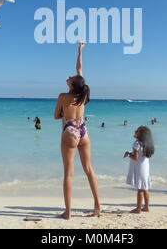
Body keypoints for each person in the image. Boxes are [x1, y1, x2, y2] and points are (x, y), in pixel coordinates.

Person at [54, 42, 100, 220]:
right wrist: (80, 50)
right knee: (89, 169)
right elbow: (79, 68)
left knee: (68, 173)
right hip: (83, 130)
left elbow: (56, 116)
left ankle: (68, 212)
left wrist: (64, 114)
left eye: (70, 77)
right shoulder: (83, 94)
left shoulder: (63, 96)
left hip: (69, 131)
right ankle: (98, 206)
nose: (68, 77)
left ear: (72, 84)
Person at [124, 126, 155, 214]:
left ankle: (138, 208)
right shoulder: (147, 144)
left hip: (139, 168)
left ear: (140, 134)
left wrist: (128, 154)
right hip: (145, 167)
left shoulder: (136, 143)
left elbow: (135, 157)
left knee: (140, 189)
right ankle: (146, 207)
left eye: (136, 131)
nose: (135, 131)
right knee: (145, 188)